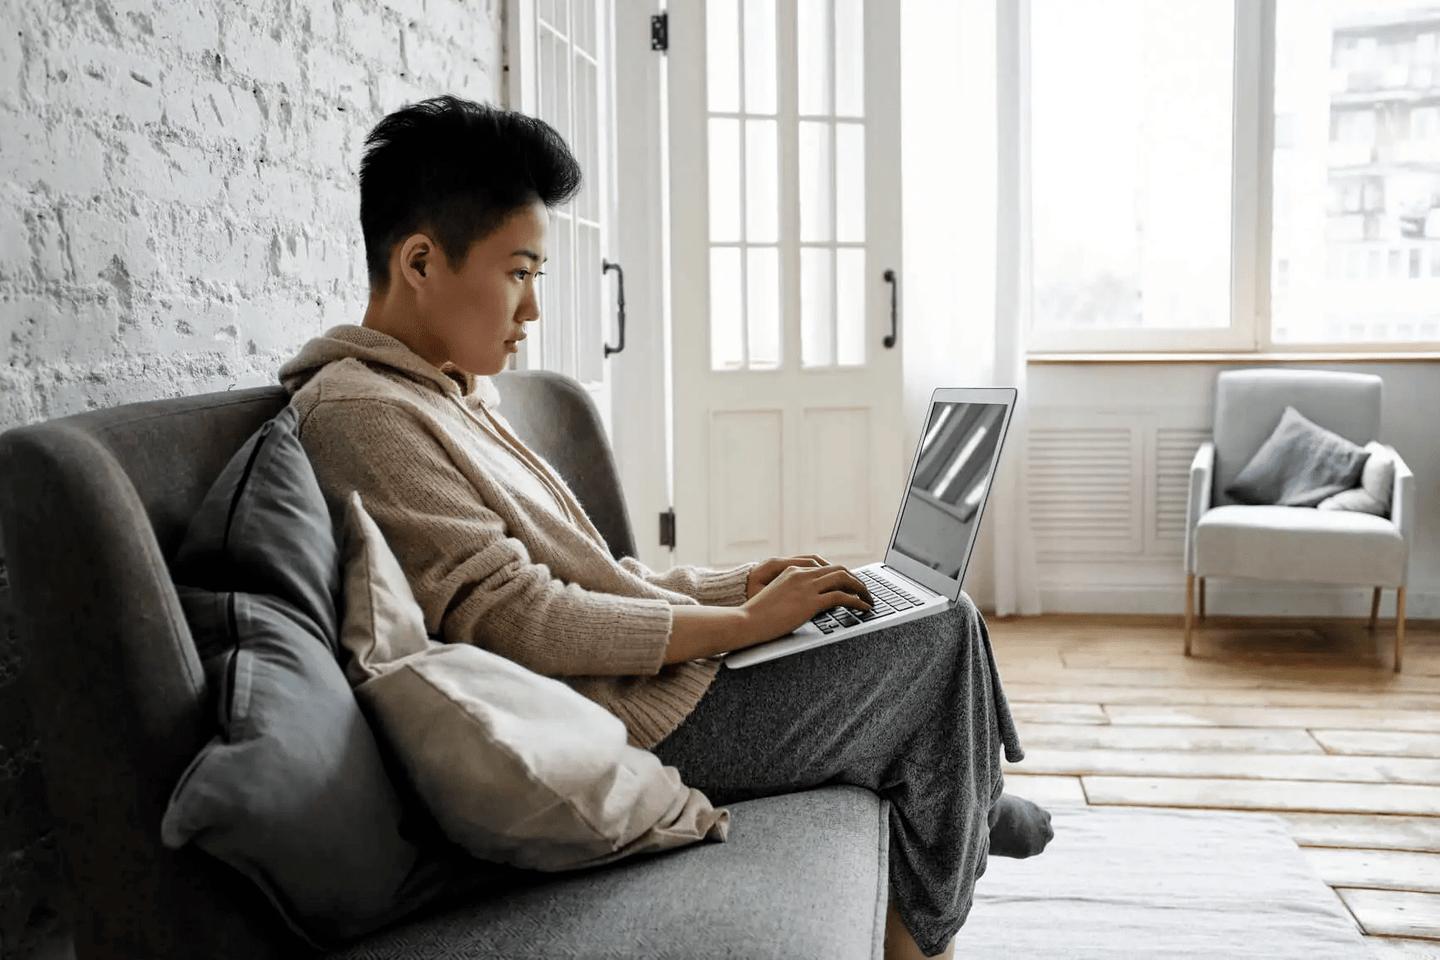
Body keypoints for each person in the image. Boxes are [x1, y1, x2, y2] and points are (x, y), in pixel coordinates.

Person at [278, 95, 1053, 960]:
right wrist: (741, 625)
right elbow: (516, 619)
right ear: (420, 261)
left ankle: (969, 795)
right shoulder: (361, 414)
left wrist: (741, 584)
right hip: (628, 720)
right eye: (519, 272)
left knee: (902, 610)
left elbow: (601, 577)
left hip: (645, 684)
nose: (532, 308)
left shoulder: (446, 391)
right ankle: (966, 824)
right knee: (940, 631)